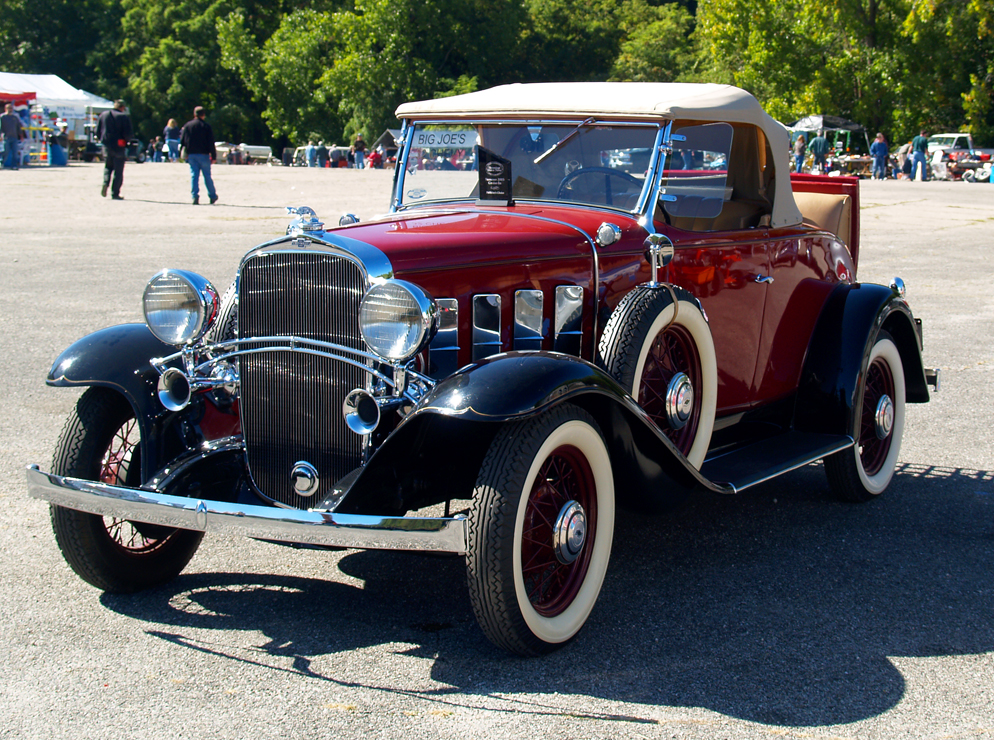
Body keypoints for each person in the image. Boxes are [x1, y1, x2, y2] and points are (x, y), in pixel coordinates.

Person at [180, 106, 217, 205]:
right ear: (203, 115)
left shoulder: (188, 126)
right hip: (204, 154)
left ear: (194, 114)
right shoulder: (206, 126)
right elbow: (211, 142)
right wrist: (213, 156)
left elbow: (183, 141)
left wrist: (184, 153)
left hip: (192, 154)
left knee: (194, 176)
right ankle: (212, 195)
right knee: (207, 176)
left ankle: (195, 196)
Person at [96, 99, 133, 199]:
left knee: (108, 167)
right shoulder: (123, 117)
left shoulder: (103, 115)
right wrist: (127, 141)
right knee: (118, 170)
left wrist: (102, 140)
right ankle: (115, 193)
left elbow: (98, 131)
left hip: (106, 145)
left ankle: (105, 182)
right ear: (122, 107)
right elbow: (128, 133)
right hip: (119, 145)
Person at [1, 103, 24, 170]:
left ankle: (14, 166)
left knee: (15, 152)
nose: (10, 110)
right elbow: (0, 127)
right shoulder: (3, 117)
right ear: (6, 109)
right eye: (9, 108)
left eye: (11, 108)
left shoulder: (15, 117)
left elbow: (18, 127)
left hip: (14, 137)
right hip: (6, 137)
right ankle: (2, 162)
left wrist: (21, 136)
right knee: (6, 151)